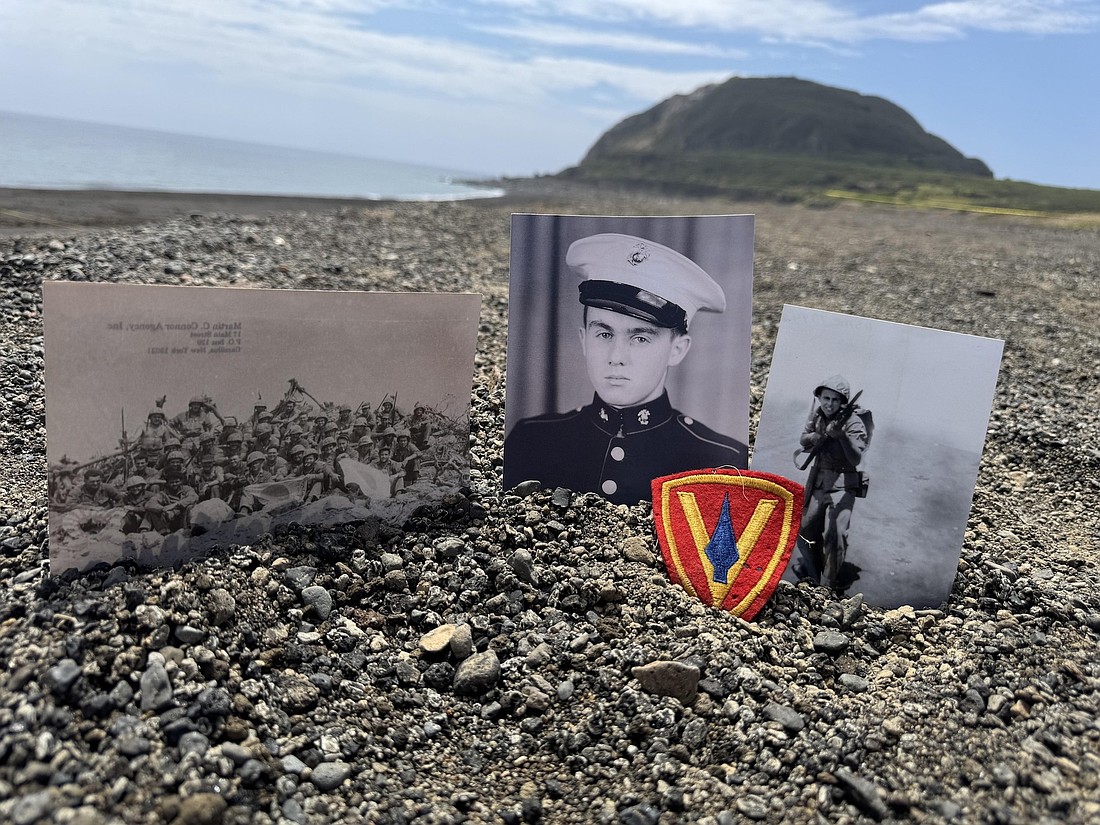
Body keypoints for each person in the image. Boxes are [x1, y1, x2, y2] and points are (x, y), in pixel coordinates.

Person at [504, 232, 746, 505]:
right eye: (604, 334)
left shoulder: (721, 462)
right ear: (584, 340)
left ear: (677, 350)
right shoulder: (531, 440)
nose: (616, 357)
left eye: (640, 338)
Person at [792, 375, 871, 591]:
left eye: (835, 400)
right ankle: (814, 574)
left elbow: (855, 459)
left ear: (843, 402)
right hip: (819, 481)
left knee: (836, 535)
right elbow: (803, 438)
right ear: (819, 397)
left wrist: (841, 436)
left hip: (843, 484)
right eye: (826, 398)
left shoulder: (853, 422)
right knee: (805, 530)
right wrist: (816, 437)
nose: (829, 404)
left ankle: (827, 586)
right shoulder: (818, 415)